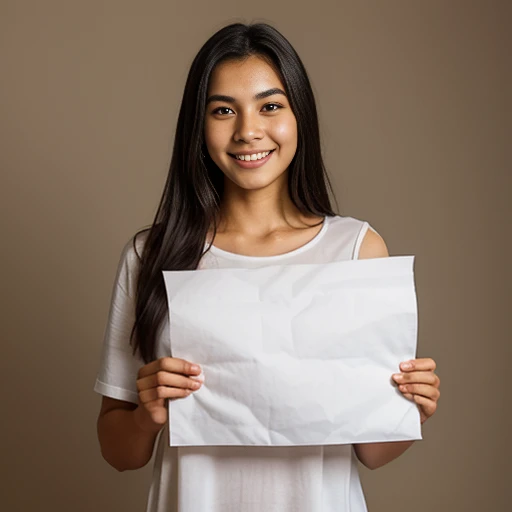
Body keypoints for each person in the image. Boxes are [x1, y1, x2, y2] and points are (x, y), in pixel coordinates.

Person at [94, 22, 441, 512]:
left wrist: (412, 409)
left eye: (270, 106)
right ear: (199, 124)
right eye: (223, 110)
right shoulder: (152, 254)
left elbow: (372, 452)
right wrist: (146, 416)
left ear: (300, 116)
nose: (248, 130)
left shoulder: (355, 249)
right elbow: (118, 452)